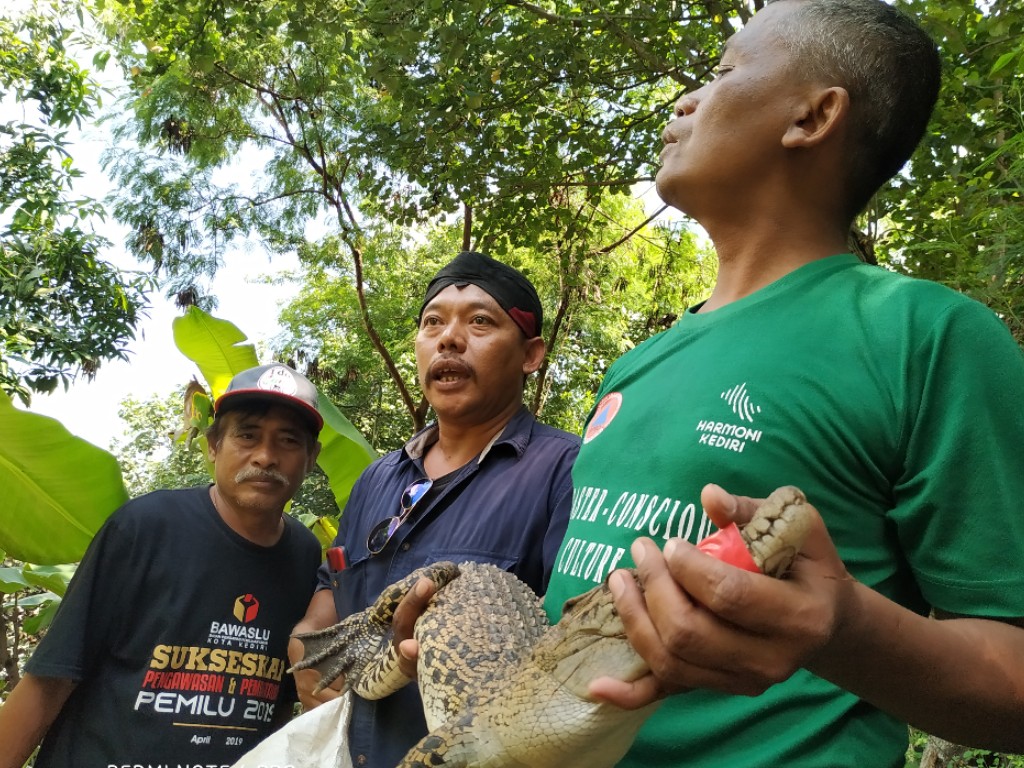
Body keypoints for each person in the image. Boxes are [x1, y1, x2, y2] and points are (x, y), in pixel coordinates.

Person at [539, 1, 1024, 766]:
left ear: (812, 116)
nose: (685, 99)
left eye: (723, 72)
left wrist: (844, 629)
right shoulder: (635, 363)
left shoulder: (926, 336)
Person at [288, 250, 580, 768]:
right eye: (433, 323)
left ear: (531, 354)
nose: (448, 338)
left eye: (481, 321)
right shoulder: (379, 477)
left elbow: (573, 647)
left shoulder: (565, 470)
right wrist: (306, 644)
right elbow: (333, 585)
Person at [0, 363, 325, 768]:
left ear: (311, 457)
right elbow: (53, 676)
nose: (265, 456)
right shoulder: (144, 527)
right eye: (247, 435)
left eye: (288, 441)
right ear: (213, 445)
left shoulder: (307, 557)